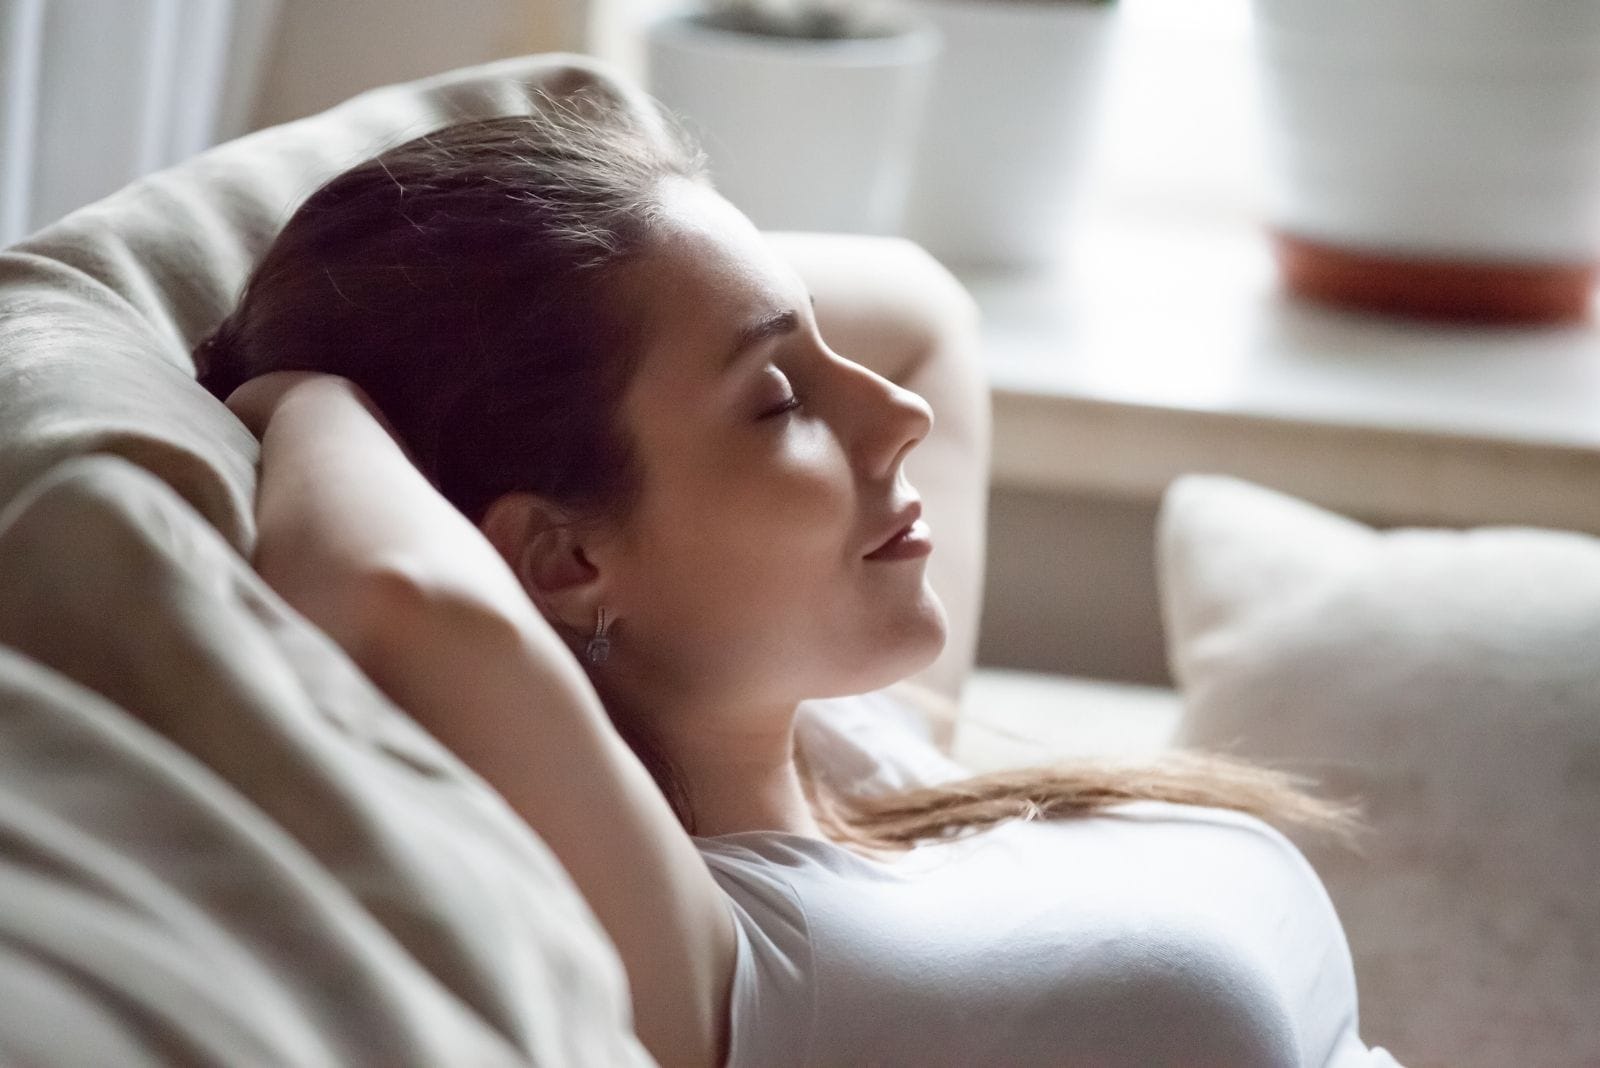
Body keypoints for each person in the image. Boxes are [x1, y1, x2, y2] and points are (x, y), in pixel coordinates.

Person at [197, 83, 1403, 1068]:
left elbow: (925, 306)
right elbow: (402, 599)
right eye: (780, 402)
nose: (897, 414)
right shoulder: (711, 953)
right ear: (561, 557)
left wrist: (658, 231)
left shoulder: (864, 742)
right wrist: (302, 391)